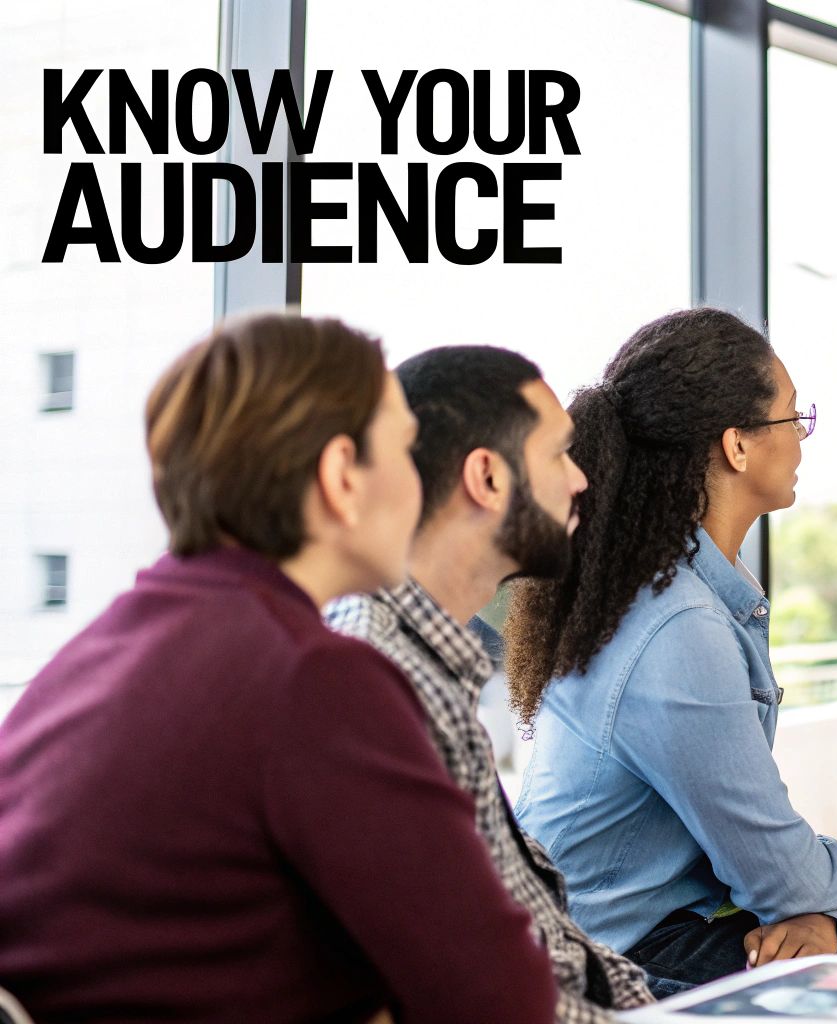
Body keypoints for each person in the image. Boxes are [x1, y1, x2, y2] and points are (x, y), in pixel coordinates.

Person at [0, 314, 561, 1022]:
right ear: (341, 478)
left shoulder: (96, 653)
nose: (423, 485)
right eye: (406, 451)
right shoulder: (314, 679)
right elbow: (505, 1002)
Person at [507, 308, 837, 991]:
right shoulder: (676, 625)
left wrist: (818, 909)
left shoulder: (677, 588)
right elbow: (780, 871)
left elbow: (773, 872)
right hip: (618, 952)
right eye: (791, 419)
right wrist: (827, 905)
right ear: (737, 447)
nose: (804, 442)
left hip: (679, 919)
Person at [326, 345, 655, 1017]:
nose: (581, 480)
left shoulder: (425, 661)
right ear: (488, 476)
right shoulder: (382, 678)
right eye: (559, 454)